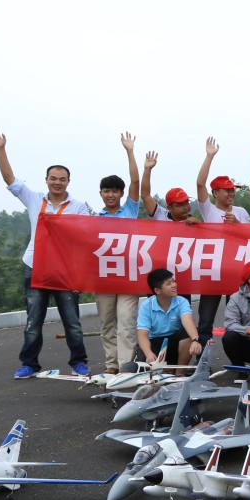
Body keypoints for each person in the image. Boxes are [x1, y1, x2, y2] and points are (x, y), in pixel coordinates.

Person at [0, 128, 92, 379]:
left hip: (65, 271)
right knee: (34, 322)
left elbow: (84, 241)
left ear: (68, 181)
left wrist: (80, 276)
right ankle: (29, 364)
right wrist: (1, 150)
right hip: (35, 266)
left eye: (62, 178)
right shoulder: (34, 199)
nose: (57, 182)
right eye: (53, 178)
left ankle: (79, 362)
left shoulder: (78, 207)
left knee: (72, 322)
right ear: (46, 180)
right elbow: (9, 179)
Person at [93, 132, 142, 374]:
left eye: (115, 190)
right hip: (103, 278)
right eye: (106, 190)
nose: (111, 194)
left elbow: (136, 183)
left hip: (128, 278)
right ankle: (111, 366)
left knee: (126, 324)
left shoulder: (130, 211)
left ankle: (125, 367)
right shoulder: (93, 221)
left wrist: (130, 151)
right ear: (101, 193)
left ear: (121, 194)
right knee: (107, 324)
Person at [196, 137, 250, 337]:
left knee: (237, 321)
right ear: (215, 192)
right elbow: (200, 183)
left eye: (232, 190)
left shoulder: (241, 212)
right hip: (212, 270)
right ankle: (202, 364)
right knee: (205, 322)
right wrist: (209, 156)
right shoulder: (208, 210)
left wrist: (237, 226)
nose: (231, 193)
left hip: (236, 271)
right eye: (226, 190)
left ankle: (238, 362)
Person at [134, 267, 203, 367]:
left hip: (174, 342)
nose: (174, 285)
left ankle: (179, 373)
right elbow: (142, 334)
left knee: (187, 333)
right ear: (157, 290)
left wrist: (195, 340)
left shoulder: (181, 301)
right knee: (142, 368)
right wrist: (148, 353)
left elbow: (187, 320)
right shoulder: (146, 306)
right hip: (155, 343)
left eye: (173, 281)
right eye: (169, 283)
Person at [141, 150, 197, 223]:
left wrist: (199, 226)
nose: (186, 207)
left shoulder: (193, 223)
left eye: (187, 202)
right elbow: (145, 196)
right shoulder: (161, 214)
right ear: (169, 208)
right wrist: (147, 169)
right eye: (180, 205)